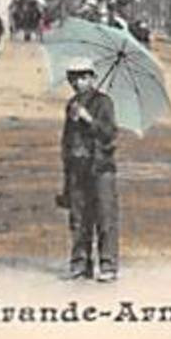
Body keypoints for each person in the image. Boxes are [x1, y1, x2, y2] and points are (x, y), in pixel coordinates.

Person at [59, 58, 118, 282]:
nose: (78, 83)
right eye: (74, 78)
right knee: (79, 218)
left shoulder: (104, 103)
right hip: (77, 166)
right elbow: (67, 139)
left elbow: (109, 134)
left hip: (101, 168)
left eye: (84, 77)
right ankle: (80, 263)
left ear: (93, 78)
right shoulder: (72, 105)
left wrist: (88, 119)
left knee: (105, 217)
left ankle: (108, 264)